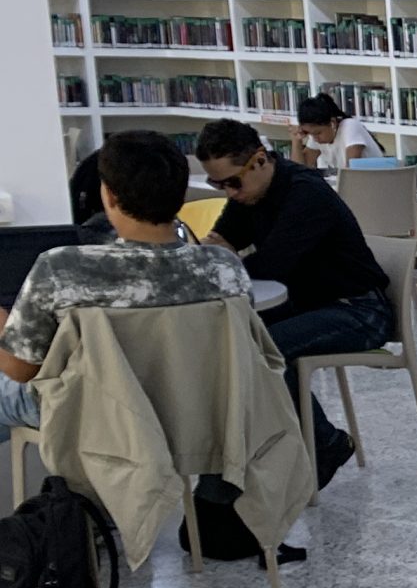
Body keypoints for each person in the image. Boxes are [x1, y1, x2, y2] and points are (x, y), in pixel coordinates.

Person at [0, 131, 251, 429]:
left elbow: (20, 371)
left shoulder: (60, 268)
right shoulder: (225, 268)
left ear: (109, 196)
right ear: (182, 194)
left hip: (97, 417)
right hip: (199, 407)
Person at [195, 119, 390, 484]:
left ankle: (325, 443)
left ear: (258, 160)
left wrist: (232, 258)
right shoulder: (249, 194)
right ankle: (251, 459)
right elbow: (220, 243)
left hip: (358, 310)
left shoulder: (305, 193)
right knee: (229, 342)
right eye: (217, 184)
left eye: (232, 182)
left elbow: (269, 267)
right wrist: (217, 251)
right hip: (309, 305)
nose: (229, 193)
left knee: (265, 348)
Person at [288, 93, 378, 173]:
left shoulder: (350, 127)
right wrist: (296, 140)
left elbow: (351, 173)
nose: (315, 139)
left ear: (332, 123)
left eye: (318, 133)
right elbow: (299, 171)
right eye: (310, 134)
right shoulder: (316, 136)